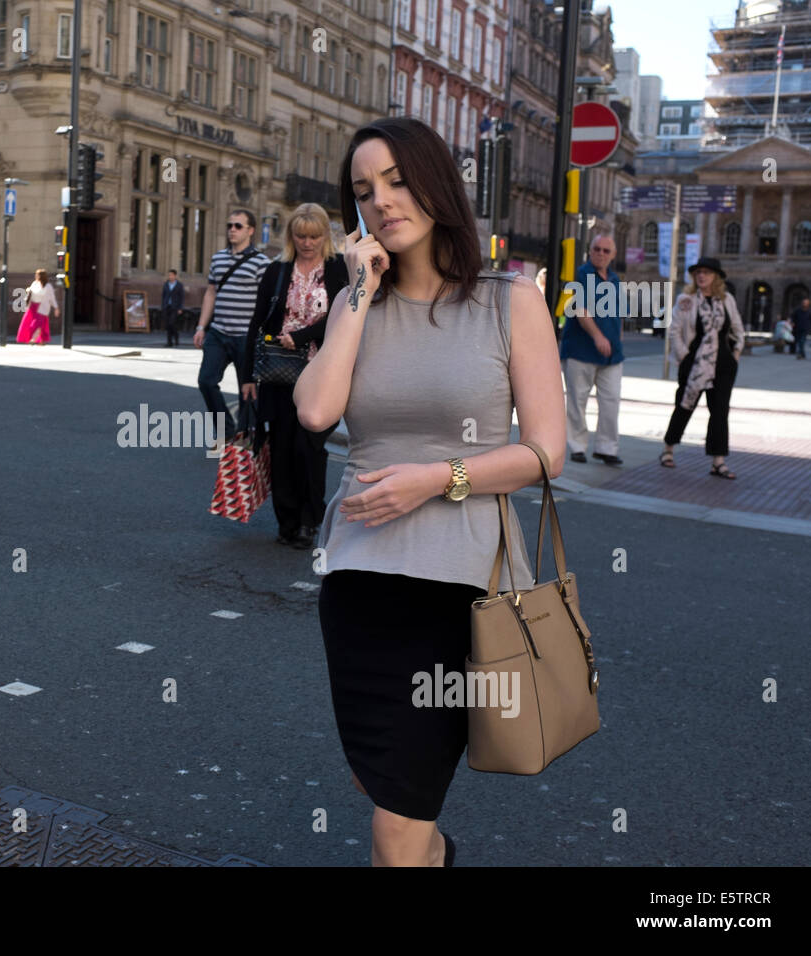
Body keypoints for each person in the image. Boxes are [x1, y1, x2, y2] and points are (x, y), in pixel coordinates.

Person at [294, 117, 565, 867]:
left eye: (397, 181)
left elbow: (548, 452)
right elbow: (315, 412)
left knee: (396, 823)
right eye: (363, 190)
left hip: (458, 593)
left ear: (436, 183)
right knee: (380, 787)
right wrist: (356, 291)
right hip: (357, 584)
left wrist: (435, 480)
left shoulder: (509, 302)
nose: (381, 201)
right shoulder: (361, 307)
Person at [240, 203, 349, 549]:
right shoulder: (277, 271)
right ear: (291, 237)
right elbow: (257, 323)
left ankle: (308, 520)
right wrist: (246, 377)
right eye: (300, 236)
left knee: (309, 448)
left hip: (321, 374)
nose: (307, 242)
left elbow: (344, 317)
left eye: (314, 236)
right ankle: (286, 520)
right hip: (277, 375)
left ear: (325, 236)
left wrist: (300, 337)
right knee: (283, 450)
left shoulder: (338, 270)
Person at [659, 256, 744, 479]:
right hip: (694, 362)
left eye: (706, 272)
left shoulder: (727, 300)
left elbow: (737, 329)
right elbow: (675, 331)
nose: (701, 276)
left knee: (720, 411)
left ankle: (718, 461)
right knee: (684, 405)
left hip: (723, 364)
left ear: (716, 276)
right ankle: (668, 448)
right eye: (698, 273)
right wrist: (684, 356)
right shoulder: (686, 299)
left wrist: (735, 354)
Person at [195, 210, 272, 438]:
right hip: (218, 333)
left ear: (250, 230)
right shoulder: (218, 258)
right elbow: (211, 292)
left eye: (238, 226)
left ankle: (244, 437)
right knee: (206, 381)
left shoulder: (261, 263)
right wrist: (201, 327)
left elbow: (265, 302)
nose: (232, 229)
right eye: (229, 225)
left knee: (247, 391)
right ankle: (227, 430)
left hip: (245, 337)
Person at [559, 232, 624, 465]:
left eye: (606, 251)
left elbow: (618, 314)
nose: (601, 254)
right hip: (580, 349)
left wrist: (617, 338)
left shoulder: (615, 280)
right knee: (578, 400)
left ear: (613, 255)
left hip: (612, 355)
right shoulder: (580, 274)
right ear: (590, 251)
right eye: (597, 249)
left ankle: (607, 448)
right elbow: (579, 309)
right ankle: (577, 446)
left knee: (611, 401)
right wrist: (597, 336)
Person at [16, 269, 59, 345]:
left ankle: (33, 339)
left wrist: (56, 308)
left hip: (42, 307)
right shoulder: (35, 283)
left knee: (37, 324)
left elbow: (52, 298)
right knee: (30, 324)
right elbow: (30, 293)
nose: (35, 276)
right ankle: (41, 340)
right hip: (32, 307)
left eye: (37, 275)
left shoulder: (48, 286)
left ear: (42, 276)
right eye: (36, 274)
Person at [161, 269, 184, 347]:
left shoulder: (179, 285)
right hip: (167, 306)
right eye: (169, 275)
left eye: (171, 275)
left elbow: (181, 297)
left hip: (175, 307)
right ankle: (169, 342)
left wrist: (180, 308)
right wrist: (163, 306)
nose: (170, 276)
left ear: (175, 276)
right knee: (167, 325)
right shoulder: (166, 284)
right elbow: (163, 296)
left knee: (172, 323)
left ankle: (176, 338)